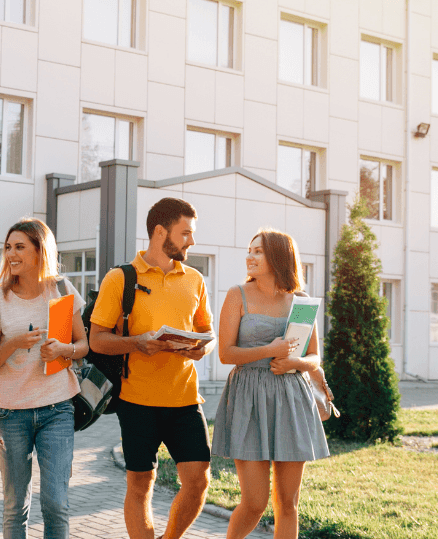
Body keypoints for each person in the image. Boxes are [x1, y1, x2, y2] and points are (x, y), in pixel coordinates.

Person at [88, 197, 217, 539]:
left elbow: (207, 332)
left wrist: (203, 347)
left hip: (185, 400)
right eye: (185, 232)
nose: (191, 240)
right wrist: (137, 342)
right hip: (137, 400)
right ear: (161, 231)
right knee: (141, 483)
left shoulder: (195, 280)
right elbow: (97, 340)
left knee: (198, 481)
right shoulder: (119, 278)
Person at [212, 229, 329, 539]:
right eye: (250, 250)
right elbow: (225, 354)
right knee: (254, 502)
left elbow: (315, 356)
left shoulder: (301, 302)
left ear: (278, 257)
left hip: (291, 398)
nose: (250, 256)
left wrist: (297, 363)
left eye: (259, 251)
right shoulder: (237, 295)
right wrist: (270, 351)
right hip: (248, 397)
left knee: (288, 504)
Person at [0, 218, 89, 539]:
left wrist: (63, 349)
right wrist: (14, 343)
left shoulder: (62, 290)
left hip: (57, 409)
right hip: (11, 413)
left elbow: (83, 345)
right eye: (8, 247)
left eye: (20, 247)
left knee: (55, 502)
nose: (11, 254)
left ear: (40, 250)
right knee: (16, 506)